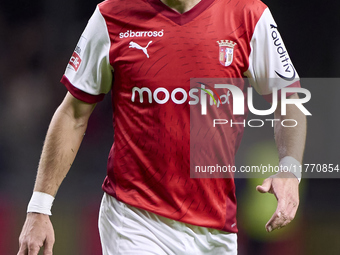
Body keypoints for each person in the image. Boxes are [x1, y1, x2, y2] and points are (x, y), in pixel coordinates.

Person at [17, 0, 306, 254]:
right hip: (133, 218)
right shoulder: (112, 15)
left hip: (215, 229)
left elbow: (289, 99)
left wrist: (290, 170)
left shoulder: (248, 15)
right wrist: (39, 207)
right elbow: (73, 112)